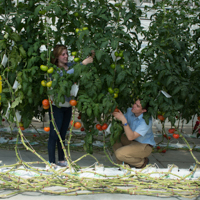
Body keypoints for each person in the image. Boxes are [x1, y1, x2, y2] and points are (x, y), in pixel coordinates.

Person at [48, 44, 95, 167]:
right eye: (63, 54)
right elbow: (65, 76)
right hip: (56, 106)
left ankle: (62, 160)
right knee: (54, 134)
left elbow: (78, 71)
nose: (66, 56)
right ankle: (51, 162)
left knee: (62, 134)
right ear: (57, 56)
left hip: (68, 105)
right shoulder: (54, 70)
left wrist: (90, 55)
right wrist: (83, 64)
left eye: (67, 53)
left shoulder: (70, 66)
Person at [112, 99, 156, 169]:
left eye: (137, 106)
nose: (134, 106)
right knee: (115, 138)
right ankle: (122, 165)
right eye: (135, 103)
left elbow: (131, 137)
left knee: (119, 154)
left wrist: (123, 120)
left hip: (144, 145)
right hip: (132, 141)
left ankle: (141, 162)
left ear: (143, 110)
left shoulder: (146, 121)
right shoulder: (130, 111)